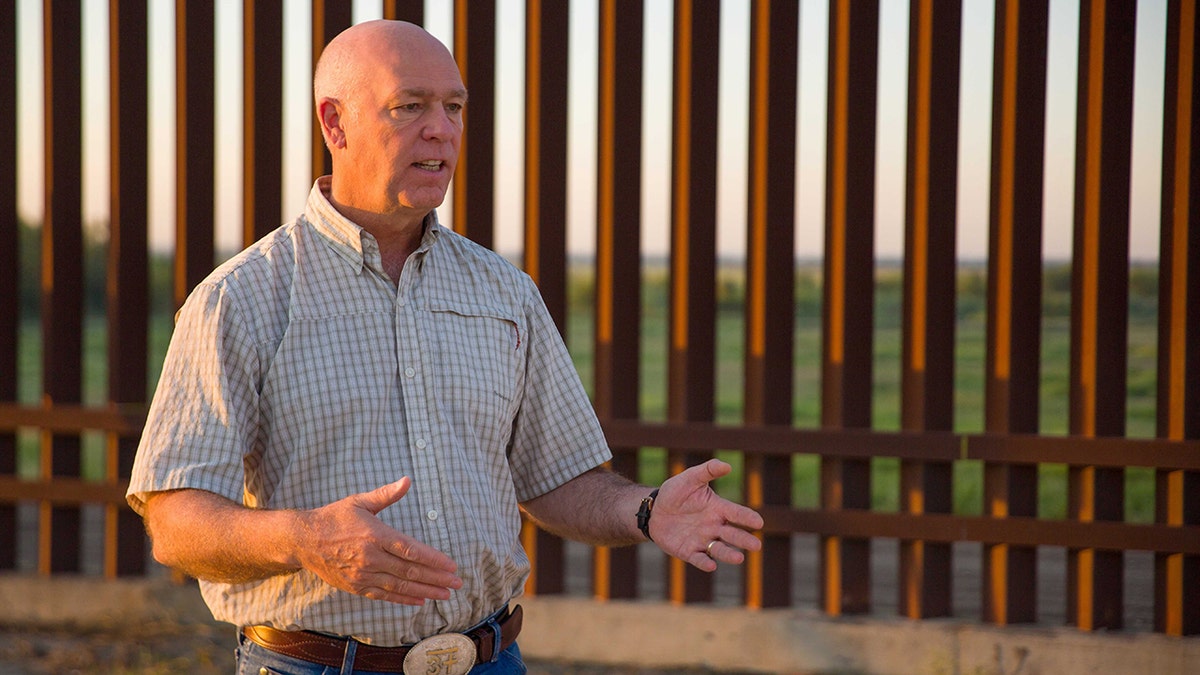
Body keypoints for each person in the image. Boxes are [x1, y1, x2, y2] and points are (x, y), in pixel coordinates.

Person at [127, 19, 763, 675]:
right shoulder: (242, 299)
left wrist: (646, 509)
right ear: (335, 124)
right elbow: (176, 520)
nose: (443, 129)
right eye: (410, 106)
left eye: (453, 107)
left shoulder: (504, 291)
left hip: (489, 660)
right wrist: (307, 539)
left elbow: (558, 480)